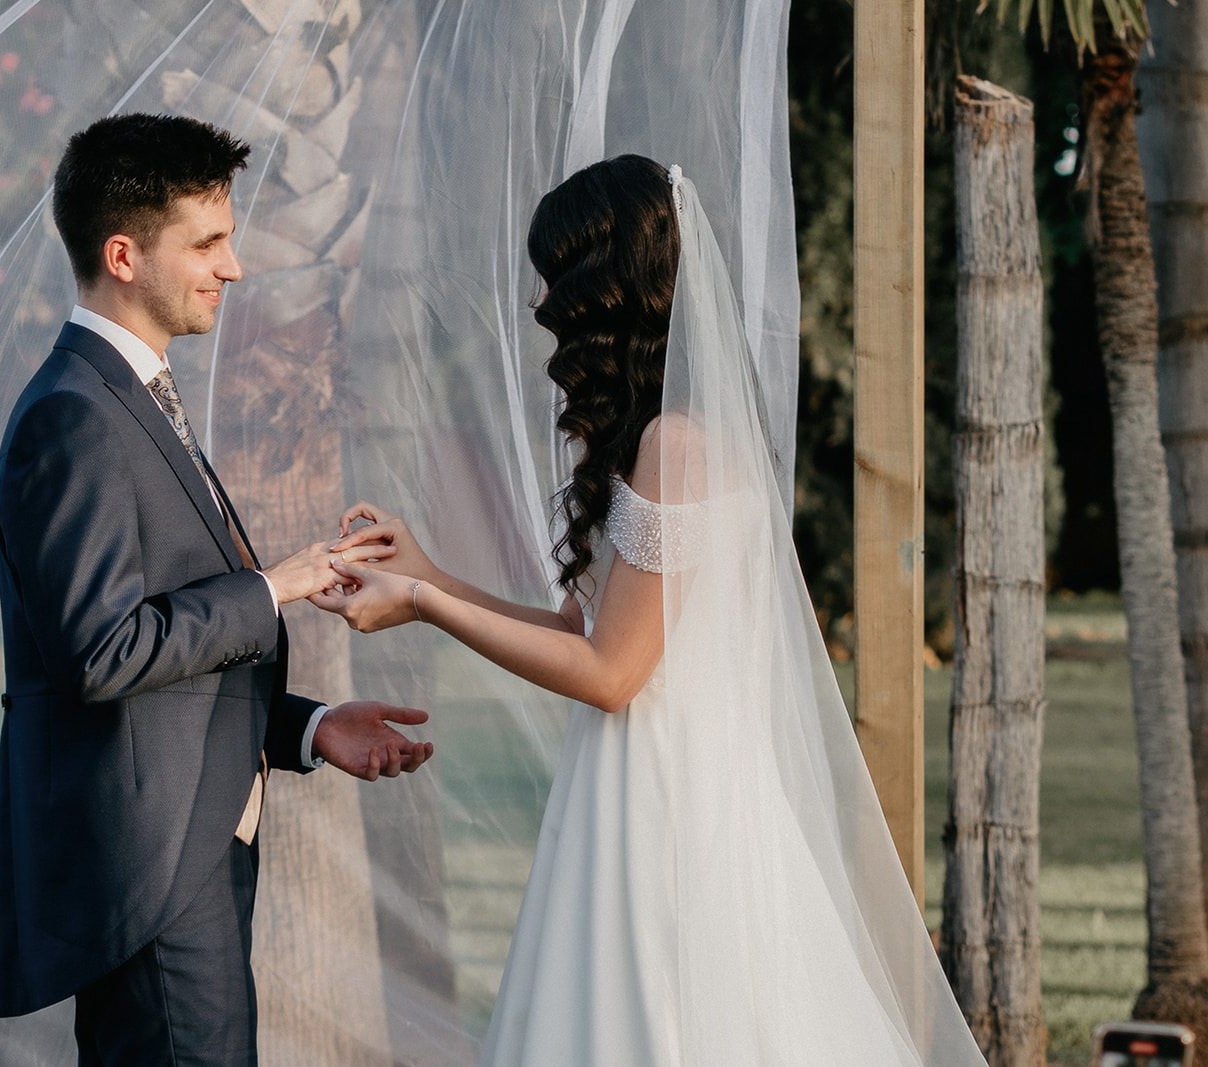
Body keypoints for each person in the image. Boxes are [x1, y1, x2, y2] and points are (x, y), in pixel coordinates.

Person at [316, 156, 989, 1065]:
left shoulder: (679, 446)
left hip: (674, 802)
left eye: (555, 277)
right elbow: (577, 633)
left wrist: (424, 601)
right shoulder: (642, 441)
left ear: (603, 289)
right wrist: (429, 578)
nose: (541, 304)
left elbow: (611, 676)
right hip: (623, 784)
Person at [0, 112, 433, 1065]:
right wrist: (273, 587)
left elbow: (165, 666)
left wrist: (310, 727)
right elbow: (101, 653)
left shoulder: (131, 395)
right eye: (207, 243)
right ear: (123, 256)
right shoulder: (72, 417)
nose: (233, 267)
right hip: (150, 879)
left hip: (189, 858)